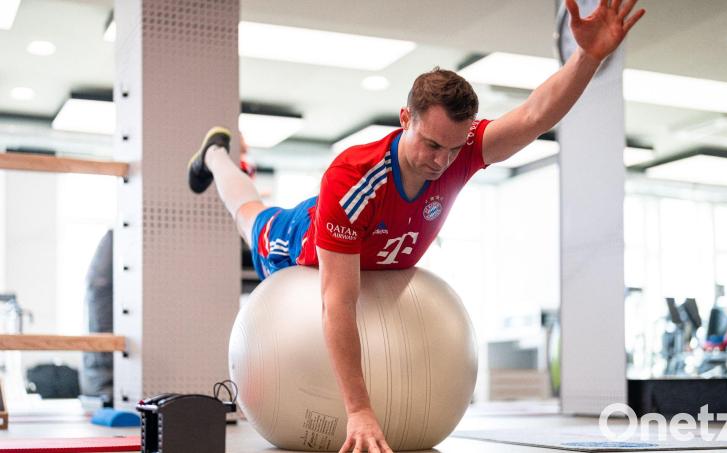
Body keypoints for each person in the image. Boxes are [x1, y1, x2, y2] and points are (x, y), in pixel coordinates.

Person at [187, 1, 644, 451]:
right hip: (299, 242)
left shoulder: (459, 153)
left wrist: (587, 57)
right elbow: (339, 304)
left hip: (374, 255)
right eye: (430, 144)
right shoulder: (354, 180)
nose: (441, 161)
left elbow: (533, 116)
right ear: (406, 119)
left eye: (452, 148)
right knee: (249, 217)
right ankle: (216, 157)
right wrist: (360, 411)